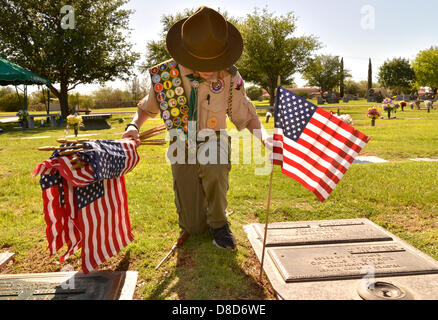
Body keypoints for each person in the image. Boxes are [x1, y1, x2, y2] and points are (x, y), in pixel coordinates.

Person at [122, 6, 272, 251]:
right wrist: (132, 126)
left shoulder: (229, 76)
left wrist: (265, 139)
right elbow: (146, 109)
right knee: (193, 227)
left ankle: (220, 223)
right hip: (181, 140)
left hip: (213, 138)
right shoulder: (166, 75)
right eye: (200, 61)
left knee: (213, 166)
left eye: (214, 61)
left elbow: (247, 116)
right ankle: (201, 216)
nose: (208, 67)